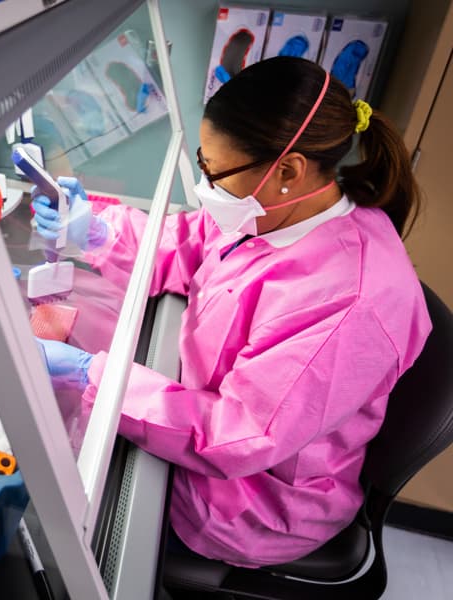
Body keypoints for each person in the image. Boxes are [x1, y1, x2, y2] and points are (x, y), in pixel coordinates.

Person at [31, 56, 432, 568]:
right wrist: (99, 232)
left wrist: (95, 377)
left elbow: (239, 435)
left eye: (216, 172)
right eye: (203, 163)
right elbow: (195, 243)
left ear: (287, 169)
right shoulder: (280, 208)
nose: (207, 185)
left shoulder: (350, 302)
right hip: (205, 423)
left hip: (249, 504)